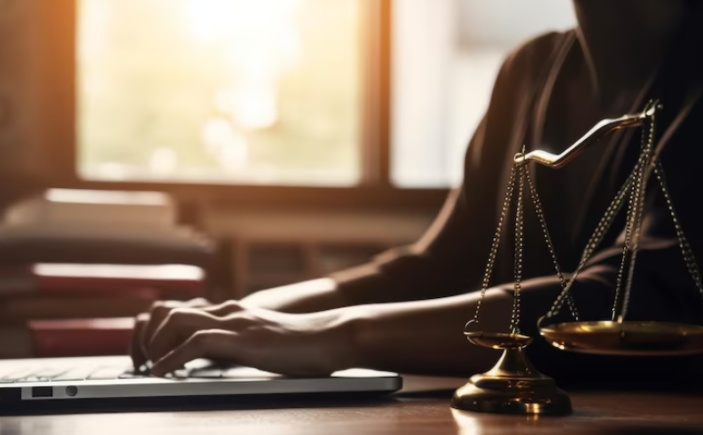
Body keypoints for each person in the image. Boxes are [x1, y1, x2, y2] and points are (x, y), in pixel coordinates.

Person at [131, 0, 703, 381]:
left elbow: (638, 299)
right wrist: (250, 313)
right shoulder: (531, 69)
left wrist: (337, 335)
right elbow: (441, 263)